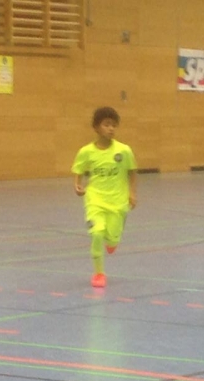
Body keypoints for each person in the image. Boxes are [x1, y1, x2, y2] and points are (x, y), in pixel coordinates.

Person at [72, 106, 137, 288]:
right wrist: (77, 184)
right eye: (106, 125)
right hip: (95, 200)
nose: (111, 129)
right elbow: (79, 170)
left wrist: (132, 193)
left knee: (113, 238)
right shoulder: (86, 152)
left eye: (114, 125)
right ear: (96, 127)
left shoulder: (124, 151)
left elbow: (132, 171)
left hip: (117, 201)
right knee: (97, 232)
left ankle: (113, 241)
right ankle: (99, 273)